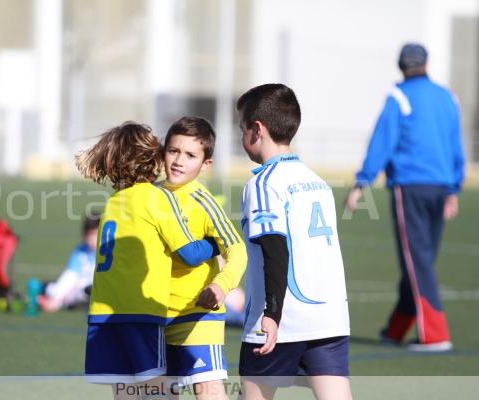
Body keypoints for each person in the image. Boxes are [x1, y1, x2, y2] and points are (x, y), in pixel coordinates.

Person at [76, 121, 219, 398]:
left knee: (126, 393)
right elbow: (189, 254)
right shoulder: (157, 198)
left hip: (103, 315)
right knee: (156, 392)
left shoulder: (113, 201)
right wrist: (215, 244)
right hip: (140, 312)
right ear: (150, 156)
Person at [345, 43, 465, 352]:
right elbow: (456, 145)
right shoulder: (447, 97)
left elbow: (382, 141)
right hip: (440, 187)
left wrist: (362, 183)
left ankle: (436, 335)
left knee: (417, 260)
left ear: (400, 65)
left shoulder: (398, 97)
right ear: (426, 63)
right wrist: (454, 189)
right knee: (420, 259)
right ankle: (396, 329)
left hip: (410, 187)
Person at [237, 84, 351, 400]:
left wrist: (271, 314)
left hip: (281, 319)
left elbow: (275, 248)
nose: (241, 136)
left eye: (241, 128)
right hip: (330, 318)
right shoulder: (317, 182)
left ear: (256, 130)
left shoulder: (263, 183)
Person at [162, 117, 247, 399]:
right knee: (159, 391)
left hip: (197, 313)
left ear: (205, 164)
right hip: (155, 314)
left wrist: (221, 286)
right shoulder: (152, 195)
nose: (178, 160)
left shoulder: (202, 200)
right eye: (173, 151)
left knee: (208, 389)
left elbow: (237, 250)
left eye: (190, 155)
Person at [39, 215, 99, 312]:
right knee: (61, 290)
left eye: (95, 234)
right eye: (88, 235)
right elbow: (71, 275)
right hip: (81, 289)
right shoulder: (81, 251)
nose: (91, 239)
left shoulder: (109, 251)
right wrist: (56, 299)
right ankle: (45, 289)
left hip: (98, 290)